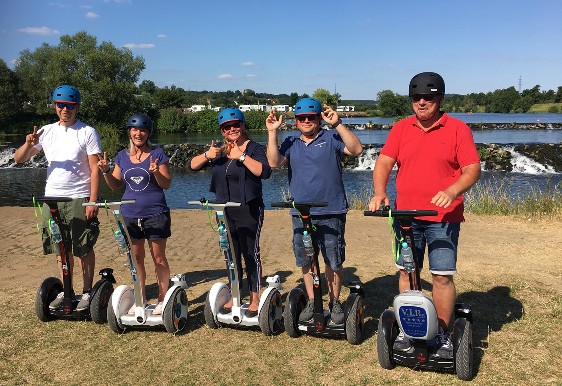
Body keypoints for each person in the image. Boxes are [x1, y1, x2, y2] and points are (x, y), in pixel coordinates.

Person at [368, 72, 481, 359]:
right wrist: (380, 191)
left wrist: (453, 190)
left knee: (441, 276)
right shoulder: (401, 128)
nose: (421, 102)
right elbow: (384, 161)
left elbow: (472, 169)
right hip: (405, 216)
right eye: (416, 98)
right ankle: (409, 331)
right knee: (407, 271)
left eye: (428, 98)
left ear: (440, 99)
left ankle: (442, 334)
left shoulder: (457, 129)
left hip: (443, 218)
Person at [266, 98, 363, 324]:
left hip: (332, 210)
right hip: (301, 212)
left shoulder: (331, 137)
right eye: (302, 118)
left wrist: (337, 124)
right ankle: (312, 299)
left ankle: (335, 301)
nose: (307, 121)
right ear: (297, 121)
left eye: (311, 117)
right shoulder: (290, 142)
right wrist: (272, 133)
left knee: (333, 259)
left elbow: (356, 150)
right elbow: (274, 163)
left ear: (319, 118)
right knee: (306, 259)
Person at [14, 85, 102, 311]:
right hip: (51, 198)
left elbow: (95, 169)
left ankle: (87, 291)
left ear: (77, 107)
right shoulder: (46, 131)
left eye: (70, 106)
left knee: (83, 247)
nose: (65, 109)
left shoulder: (87, 132)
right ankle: (67, 290)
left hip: (78, 198)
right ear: (55, 106)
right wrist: (29, 144)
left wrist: (92, 200)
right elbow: (19, 159)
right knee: (61, 248)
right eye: (61, 105)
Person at [189, 108, 271, 317]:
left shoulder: (253, 148)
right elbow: (192, 166)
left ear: (243, 126)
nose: (232, 129)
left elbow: (265, 172)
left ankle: (254, 298)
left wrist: (241, 157)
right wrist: (207, 155)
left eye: (236, 125)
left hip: (249, 209)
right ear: (223, 131)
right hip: (224, 211)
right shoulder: (218, 151)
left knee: (250, 253)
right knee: (230, 254)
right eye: (227, 127)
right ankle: (236, 296)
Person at [97, 114, 172, 315]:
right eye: (135, 130)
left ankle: (163, 299)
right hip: (129, 214)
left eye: (143, 131)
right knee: (135, 259)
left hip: (156, 212)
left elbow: (166, 183)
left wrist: (156, 172)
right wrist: (105, 171)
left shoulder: (157, 154)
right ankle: (141, 297)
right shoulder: (122, 156)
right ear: (130, 132)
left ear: (148, 133)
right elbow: (115, 186)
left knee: (158, 258)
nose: (139, 134)